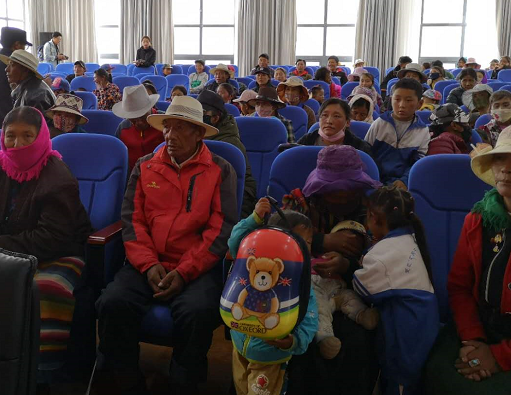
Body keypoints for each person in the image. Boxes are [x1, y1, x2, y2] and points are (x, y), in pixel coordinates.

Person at [95, 96, 237, 394]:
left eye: (180, 128)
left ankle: (182, 382)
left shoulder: (220, 170)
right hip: (146, 262)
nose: (170, 135)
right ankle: (127, 381)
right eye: (167, 127)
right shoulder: (145, 166)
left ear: (199, 133)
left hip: (196, 267)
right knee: (113, 303)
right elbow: (132, 220)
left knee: (197, 312)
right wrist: (148, 265)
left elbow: (221, 229)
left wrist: (185, 271)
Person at [424, 123, 511, 395]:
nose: (506, 168)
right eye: (500, 158)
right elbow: (460, 286)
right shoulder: (478, 218)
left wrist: (498, 358)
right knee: (436, 374)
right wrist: (473, 339)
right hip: (479, 329)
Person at [0, 106, 92, 370]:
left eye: (27, 136)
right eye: (10, 135)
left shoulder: (58, 177)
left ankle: (40, 372)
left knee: (43, 289)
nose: (17, 144)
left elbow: (53, 237)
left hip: (58, 251)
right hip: (9, 248)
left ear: (41, 136)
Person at [283, 145, 381, 395]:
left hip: (352, 292)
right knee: (299, 337)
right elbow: (277, 241)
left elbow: (383, 263)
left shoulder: (371, 211)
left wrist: (346, 266)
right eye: (333, 192)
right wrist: (321, 241)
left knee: (357, 340)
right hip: (299, 290)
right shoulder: (299, 203)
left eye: (347, 192)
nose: (340, 198)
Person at [228, 200, 318, 395]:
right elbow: (235, 241)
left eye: (308, 243)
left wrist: (294, 341)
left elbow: (310, 317)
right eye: (295, 242)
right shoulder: (251, 264)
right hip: (239, 346)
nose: (303, 248)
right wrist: (254, 219)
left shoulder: (299, 281)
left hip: (270, 358)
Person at [355, 187, 438, 395]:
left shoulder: (384, 254)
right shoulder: (408, 238)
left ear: (373, 217)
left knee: (399, 386)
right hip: (420, 327)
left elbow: (362, 287)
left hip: (405, 339)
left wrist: (349, 264)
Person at [198, 90, 258, 218]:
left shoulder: (229, 146)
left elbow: (235, 189)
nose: (197, 118)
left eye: (202, 114)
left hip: (234, 203)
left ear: (215, 118)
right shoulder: (198, 135)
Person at [365, 78, 430, 189]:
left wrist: (404, 180)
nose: (401, 105)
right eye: (397, 99)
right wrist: (375, 179)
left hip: (403, 185)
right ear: (391, 100)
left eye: (408, 100)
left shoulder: (422, 131)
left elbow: (417, 162)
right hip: (375, 181)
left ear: (420, 104)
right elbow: (367, 154)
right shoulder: (380, 123)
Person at [113, 84, 164, 170]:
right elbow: (116, 156)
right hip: (132, 173)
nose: (139, 123)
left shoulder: (165, 122)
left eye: (143, 116)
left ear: (150, 108)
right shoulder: (123, 128)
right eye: (133, 120)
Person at [298, 98, 372, 155]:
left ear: (347, 122)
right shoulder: (305, 143)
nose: (329, 121)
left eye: (336, 116)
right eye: (325, 115)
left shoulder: (360, 148)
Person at [0, 50, 55, 115]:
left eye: (12, 65)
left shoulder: (35, 96)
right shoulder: (28, 88)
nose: (6, 69)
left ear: (25, 69)